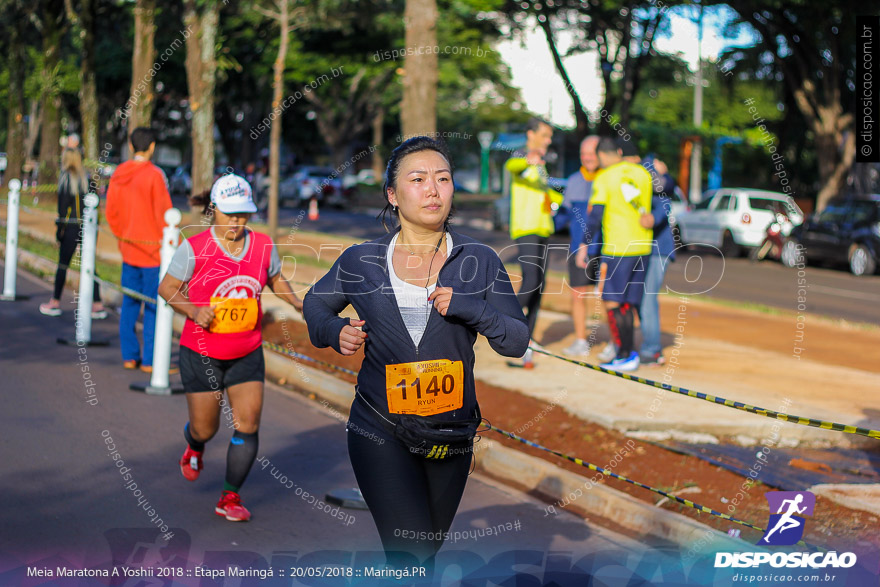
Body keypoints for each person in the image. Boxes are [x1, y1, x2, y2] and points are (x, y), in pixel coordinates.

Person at [303, 137, 529, 569]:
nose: (433, 189)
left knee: (424, 553)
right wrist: (334, 330)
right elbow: (315, 303)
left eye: (443, 179)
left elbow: (516, 340)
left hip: (452, 433)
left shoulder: (478, 259)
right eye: (419, 179)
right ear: (392, 194)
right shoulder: (362, 260)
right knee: (410, 555)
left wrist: (471, 308)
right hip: (379, 428)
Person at [158, 174, 303, 522]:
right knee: (206, 428)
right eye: (230, 213)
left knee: (248, 423)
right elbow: (167, 288)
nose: (237, 221)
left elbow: (274, 278)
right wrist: (193, 309)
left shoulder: (264, 245)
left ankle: (230, 496)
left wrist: (298, 304)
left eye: (244, 214)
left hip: (247, 351)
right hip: (202, 353)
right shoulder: (194, 247)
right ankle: (194, 444)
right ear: (214, 210)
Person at [577, 137, 652, 371]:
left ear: (600, 155)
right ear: (619, 151)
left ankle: (624, 354)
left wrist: (584, 245)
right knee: (628, 302)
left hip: (619, 248)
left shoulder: (605, 177)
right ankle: (629, 355)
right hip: (643, 248)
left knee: (611, 302)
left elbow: (594, 217)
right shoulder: (643, 174)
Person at [106, 127, 172, 372]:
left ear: (131, 147)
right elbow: (165, 214)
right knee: (153, 305)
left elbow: (111, 212)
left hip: (129, 249)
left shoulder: (118, 173)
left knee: (130, 303)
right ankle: (150, 360)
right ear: (152, 146)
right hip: (153, 252)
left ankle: (130, 355)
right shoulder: (155, 176)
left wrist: (123, 236)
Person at [505, 118, 564, 367]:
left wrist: (558, 199)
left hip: (543, 228)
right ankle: (507, 327)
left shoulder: (541, 166)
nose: (548, 140)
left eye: (550, 136)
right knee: (530, 279)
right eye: (545, 135)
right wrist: (528, 159)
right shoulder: (522, 156)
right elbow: (512, 166)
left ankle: (528, 337)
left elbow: (544, 193)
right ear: (531, 134)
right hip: (526, 227)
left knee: (539, 284)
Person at [40, 149, 107, 318]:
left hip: (71, 227)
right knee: (89, 265)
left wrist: (59, 232)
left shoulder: (66, 178)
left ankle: (55, 302)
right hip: (87, 227)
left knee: (63, 264)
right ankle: (98, 304)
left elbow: (63, 209)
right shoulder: (88, 178)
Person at [562, 136, 601, 356]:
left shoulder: (607, 178)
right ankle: (580, 340)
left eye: (591, 153)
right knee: (578, 294)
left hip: (604, 248)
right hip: (578, 248)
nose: (587, 158)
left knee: (608, 296)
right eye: (583, 154)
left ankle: (616, 344)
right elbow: (565, 215)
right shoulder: (574, 180)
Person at [638, 156, 678, 366]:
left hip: (657, 251)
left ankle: (652, 350)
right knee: (638, 298)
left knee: (647, 299)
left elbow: (663, 204)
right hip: (641, 248)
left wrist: (654, 169)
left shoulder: (660, 189)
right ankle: (646, 345)